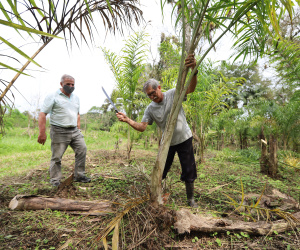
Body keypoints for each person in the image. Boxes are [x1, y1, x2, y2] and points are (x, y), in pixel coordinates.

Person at [116, 54, 198, 207]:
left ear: (159, 87)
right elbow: (142, 127)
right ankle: (157, 195)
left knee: (189, 169)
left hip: (184, 138)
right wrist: (128, 120)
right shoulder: (150, 109)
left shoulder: (174, 93)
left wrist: (194, 69)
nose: (152, 97)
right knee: (161, 170)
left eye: (153, 93)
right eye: (149, 95)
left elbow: (191, 88)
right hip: (167, 142)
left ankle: (190, 199)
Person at [37, 74, 91, 187]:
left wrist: (78, 128)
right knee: (57, 157)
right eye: (68, 84)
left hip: (74, 130)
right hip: (59, 131)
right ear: (61, 84)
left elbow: (77, 114)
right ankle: (55, 180)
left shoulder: (76, 98)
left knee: (82, 149)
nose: (71, 86)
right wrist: (42, 133)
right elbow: (43, 114)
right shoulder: (53, 96)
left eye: (73, 84)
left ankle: (79, 175)